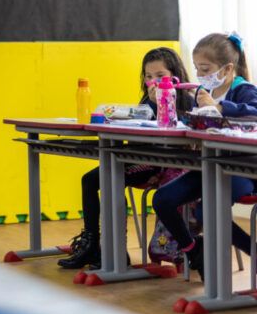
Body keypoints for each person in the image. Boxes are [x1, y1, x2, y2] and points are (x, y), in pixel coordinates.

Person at [59, 47, 194, 269]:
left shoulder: (186, 100)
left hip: (163, 166)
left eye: (160, 76)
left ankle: (115, 252)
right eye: (148, 77)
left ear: (175, 74)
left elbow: (177, 133)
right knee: (91, 179)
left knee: (110, 177)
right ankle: (92, 243)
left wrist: (160, 103)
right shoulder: (146, 98)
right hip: (141, 159)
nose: (153, 82)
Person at [153, 32, 257, 280]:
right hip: (209, 166)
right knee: (163, 200)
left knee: (206, 212)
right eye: (197, 68)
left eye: (205, 68)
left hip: (242, 170)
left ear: (227, 68)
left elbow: (254, 113)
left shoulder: (243, 90)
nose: (200, 75)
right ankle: (193, 250)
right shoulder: (202, 91)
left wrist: (221, 107)